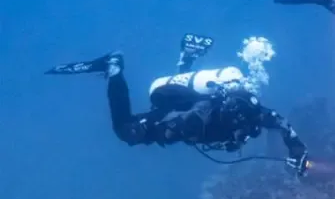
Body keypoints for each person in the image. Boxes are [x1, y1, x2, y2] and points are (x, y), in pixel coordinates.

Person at [44, 34, 310, 176]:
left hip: (185, 100)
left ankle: (187, 59)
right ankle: (113, 68)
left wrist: (298, 152)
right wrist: (162, 133)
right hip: (172, 103)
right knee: (127, 133)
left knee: (178, 103)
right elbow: (180, 124)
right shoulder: (206, 117)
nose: (242, 136)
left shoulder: (248, 113)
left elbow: (281, 124)